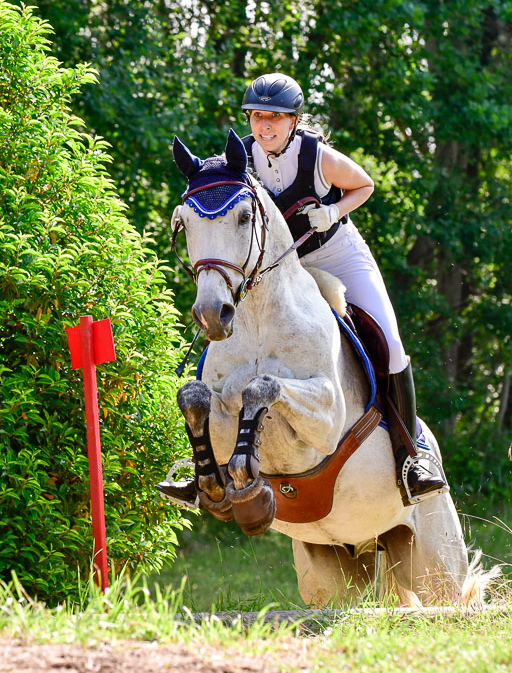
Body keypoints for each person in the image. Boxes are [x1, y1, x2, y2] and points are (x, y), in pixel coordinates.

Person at [162, 73, 447, 508]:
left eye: (274, 118)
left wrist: (333, 210)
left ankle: (413, 457)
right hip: (278, 264)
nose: (264, 127)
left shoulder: (317, 156)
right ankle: (200, 462)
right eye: (257, 117)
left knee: (388, 341)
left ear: (293, 120)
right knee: (221, 339)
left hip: (336, 255)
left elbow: (365, 184)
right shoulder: (244, 157)